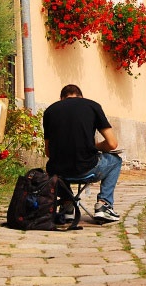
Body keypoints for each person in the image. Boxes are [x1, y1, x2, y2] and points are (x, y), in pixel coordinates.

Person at [43, 84, 122, 222]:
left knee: (52, 166)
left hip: (60, 173)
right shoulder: (92, 106)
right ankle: (104, 205)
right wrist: (95, 146)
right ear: (81, 97)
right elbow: (112, 143)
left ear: (61, 98)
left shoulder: (50, 110)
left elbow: (48, 152)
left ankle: (67, 205)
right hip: (87, 168)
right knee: (115, 161)